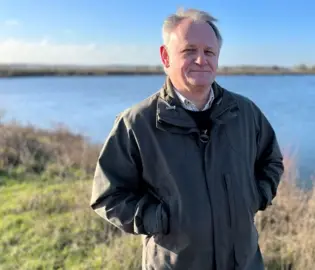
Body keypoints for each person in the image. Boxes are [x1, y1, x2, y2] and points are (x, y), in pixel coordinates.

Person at [89, 7, 284, 270]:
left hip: (245, 263)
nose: (201, 60)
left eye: (209, 52)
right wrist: (159, 219)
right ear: (165, 56)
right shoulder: (136, 123)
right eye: (189, 50)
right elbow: (108, 196)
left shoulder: (245, 113)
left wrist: (254, 196)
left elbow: (271, 160)